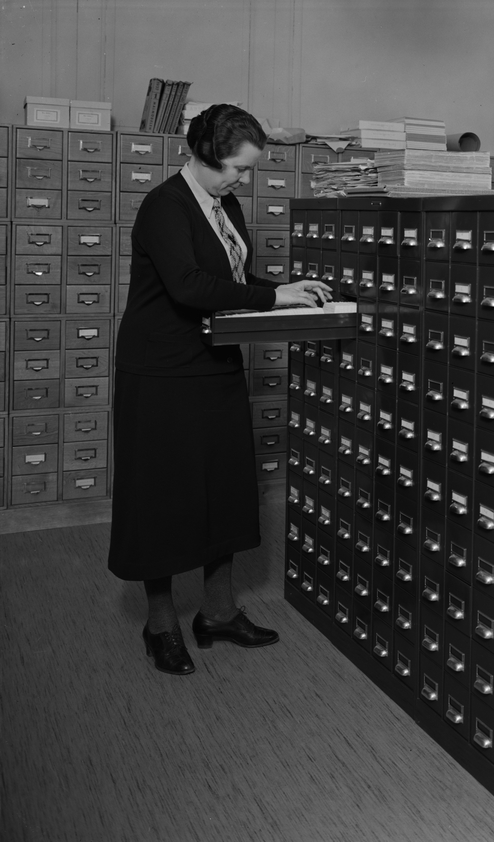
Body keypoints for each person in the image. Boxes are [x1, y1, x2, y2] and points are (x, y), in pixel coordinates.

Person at [108, 104, 332, 675]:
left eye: (249, 169)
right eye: (237, 168)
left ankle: (218, 612)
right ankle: (161, 624)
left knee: (223, 488)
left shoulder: (223, 204)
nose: (243, 180)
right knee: (161, 497)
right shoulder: (165, 206)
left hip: (214, 362)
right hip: (161, 371)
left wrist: (287, 290)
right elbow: (188, 286)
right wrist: (271, 299)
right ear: (205, 155)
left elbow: (230, 279)